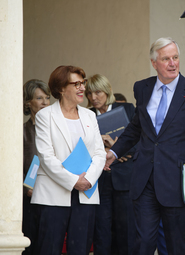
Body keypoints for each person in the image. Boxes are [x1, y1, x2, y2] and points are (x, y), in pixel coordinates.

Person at [105, 37, 185, 255]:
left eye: (175, 57)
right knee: (143, 243)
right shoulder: (142, 88)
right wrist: (113, 152)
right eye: (166, 59)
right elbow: (136, 128)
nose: (172, 63)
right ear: (154, 62)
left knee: (175, 245)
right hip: (144, 179)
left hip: (178, 182)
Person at [31, 65, 106, 255]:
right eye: (76, 83)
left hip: (86, 194)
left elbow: (99, 153)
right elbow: (46, 157)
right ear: (61, 88)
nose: (82, 88)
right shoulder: (44, 116)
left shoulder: (90, 115)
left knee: (80, 249)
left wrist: (87, 180)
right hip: (53, 195)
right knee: (49, 249)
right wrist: (74, 181)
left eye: (83, 82)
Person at [85, 74, 136, 255]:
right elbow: (79, 147)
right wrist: (98, 143)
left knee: (127, 232)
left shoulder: (128, 109)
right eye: (89, 93)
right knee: (101, 233)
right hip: (99, 182)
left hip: (125, 181)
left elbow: (142, 143)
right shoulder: (86, 115)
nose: (93, 97)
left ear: (107, 92)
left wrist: (117, 148)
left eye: (98, 92)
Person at [22, 79, 50, 255]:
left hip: (53, 197)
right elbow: (10, 168)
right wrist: (26, 189)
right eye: (39, 98)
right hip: (30, 199)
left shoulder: (55, 129)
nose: (45, 102)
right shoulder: (21, 131)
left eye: (47, 97)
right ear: (28, 103)